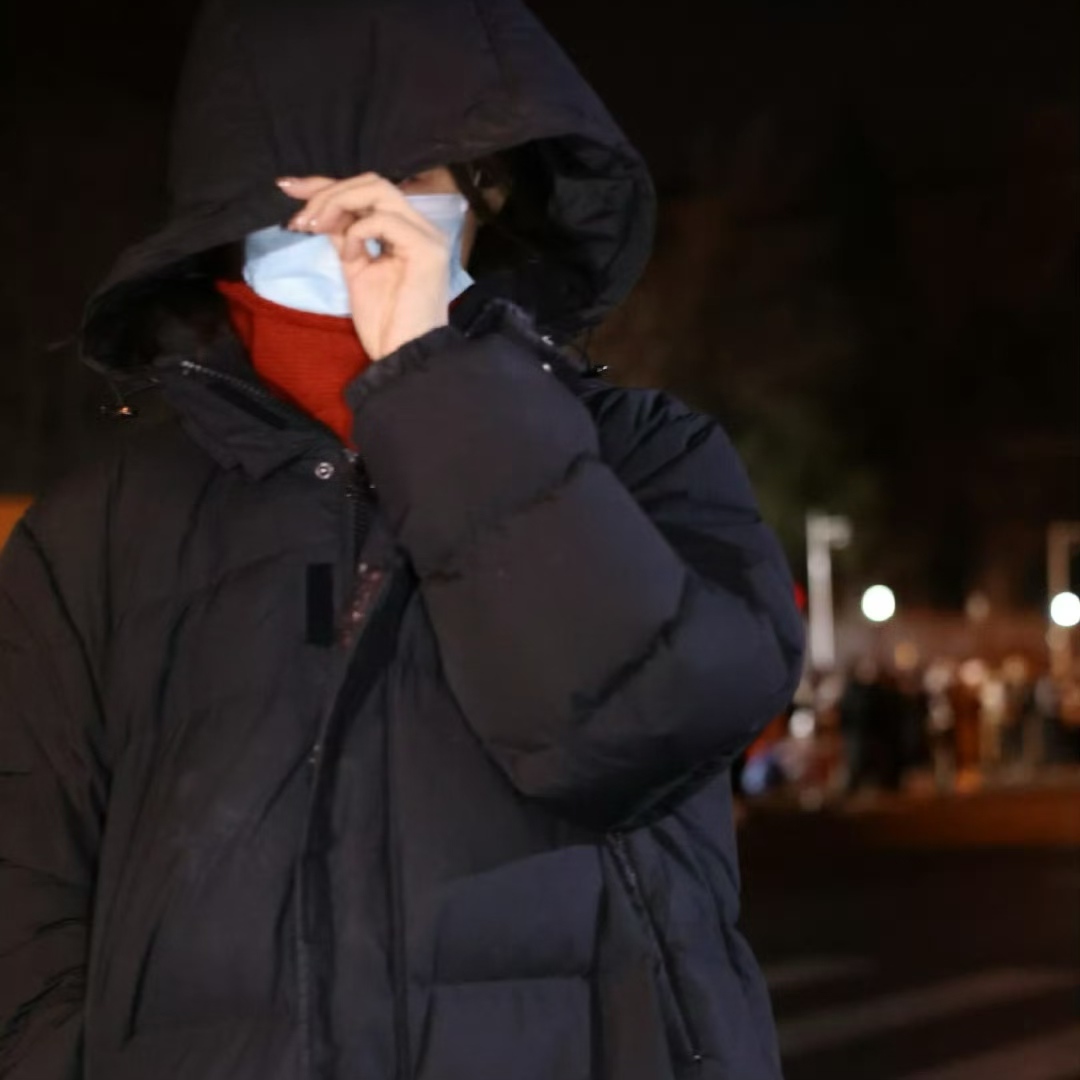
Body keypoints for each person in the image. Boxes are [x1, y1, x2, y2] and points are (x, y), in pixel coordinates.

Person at [0, 1, 805, 1077]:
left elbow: (647, 725)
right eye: (316, 174)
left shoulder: (647, 457)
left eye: (417, 171)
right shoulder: (98, 533)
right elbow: (25, 902)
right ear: (234, 193)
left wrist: (437, 382)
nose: (363, 211)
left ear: (487, 194)